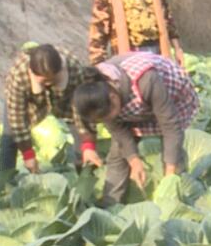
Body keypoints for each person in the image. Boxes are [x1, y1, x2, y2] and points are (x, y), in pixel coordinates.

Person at [73, 52, 199, 206]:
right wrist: (134, 161)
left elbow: (170, 128)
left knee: (173, 152)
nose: (108, 120)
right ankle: (111, 205)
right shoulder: (97, 94)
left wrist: (170, 175)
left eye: (109, 116)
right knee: (118, 154)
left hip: (169, 97)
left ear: (113, 98)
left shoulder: (146, 80)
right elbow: (119, 132)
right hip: (133, 105)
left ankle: (177, 201)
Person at [0, 43, 86, 173]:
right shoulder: (19, 75)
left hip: (65, 97)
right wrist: (28, 154)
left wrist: (88, 145)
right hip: (30, 101)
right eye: (44, 81)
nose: (49, 83)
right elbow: (17, 119)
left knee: (80, 133)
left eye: (53, 79)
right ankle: (5, 177)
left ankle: (83, 171)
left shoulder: (74, 68)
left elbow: (81, 110)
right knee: (10, 134)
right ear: (32, 73)